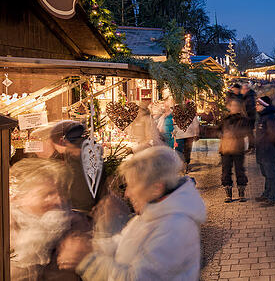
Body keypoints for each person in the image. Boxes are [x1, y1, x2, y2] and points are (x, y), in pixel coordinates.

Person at [70, 146, 206, 280]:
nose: (127, 193)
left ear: (156, 188)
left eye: (132, 185)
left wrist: (87, 261)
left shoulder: (174, 227)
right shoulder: (151, 212)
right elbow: (122, 241)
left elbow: (136, 278)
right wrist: (91, 246)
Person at [10, 157, 91, 280]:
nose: (59, 200)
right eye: (48, 194)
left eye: (61, 193)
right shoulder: (7, 229)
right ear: (19, 197)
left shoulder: (73, 228)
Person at [32, 120, 105, 214]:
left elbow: (82, 202)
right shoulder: (77, 156)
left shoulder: (77, 160)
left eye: (39, 142)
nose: (36, 149)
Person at [216, 99, 253, 203]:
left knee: (240, 170)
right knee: (226, 171)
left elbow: (248, 132)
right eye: (232, 105)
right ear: (229, 107)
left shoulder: (243, 119)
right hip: (225, 149)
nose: (234, 107)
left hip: (238, 148)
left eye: (236, 105)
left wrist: (251, 144)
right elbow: (218, 130)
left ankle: (241, 193)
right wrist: (221, 135)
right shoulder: (225, 119)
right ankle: (228, 193)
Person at [255, 96, 275, 206]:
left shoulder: (270, 118)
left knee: (272, 175)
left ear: (264, 105)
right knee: (266, 174)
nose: (256, 106)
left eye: (258, 104)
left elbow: (274, 135)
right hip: (262, 151)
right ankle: (267, 193)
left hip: (268, 151)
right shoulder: (263, 117)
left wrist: (267, 146)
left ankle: (272, 198)